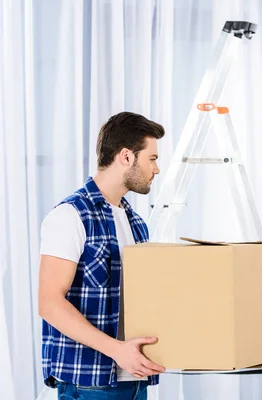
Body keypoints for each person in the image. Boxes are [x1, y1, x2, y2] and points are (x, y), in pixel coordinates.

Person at [38, 112, 167, 399]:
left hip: (134, 380)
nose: (157, 169)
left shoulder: (135, 222)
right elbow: (49, 304)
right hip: (90, 383)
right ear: (126, 157)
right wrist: (117, 350)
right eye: (152, 158)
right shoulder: (70, 216)